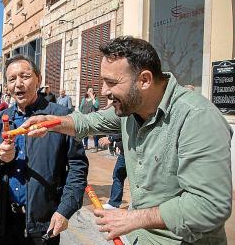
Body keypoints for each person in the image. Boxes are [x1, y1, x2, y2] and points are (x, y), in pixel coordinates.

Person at [22, 36, 233, 244]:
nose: (104, 91)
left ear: (144, 80)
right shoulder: (131, 109)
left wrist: (132, 218)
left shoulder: (197, 117)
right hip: (139, 237)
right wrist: (52, 122)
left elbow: (209, 206)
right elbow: (88, 122)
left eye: (112, 82)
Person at [0, 55, 88, 244]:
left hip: (44, 224)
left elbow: (77, 168)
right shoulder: (2, 118)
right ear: (7, 85)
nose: (18, 84)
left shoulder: (61, 118)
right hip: (7, 220)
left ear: (38, 79)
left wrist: (65, 210)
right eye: (12, 79)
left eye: (25, 76)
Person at [98, 134, 127, 209]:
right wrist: (118, 144)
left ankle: (141, 205)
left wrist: (111, 138)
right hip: (124, 153)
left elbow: (125, 131)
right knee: (117, 176)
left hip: (134, 153)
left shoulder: (128, 122)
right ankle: (114, 203)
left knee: (137, 179)